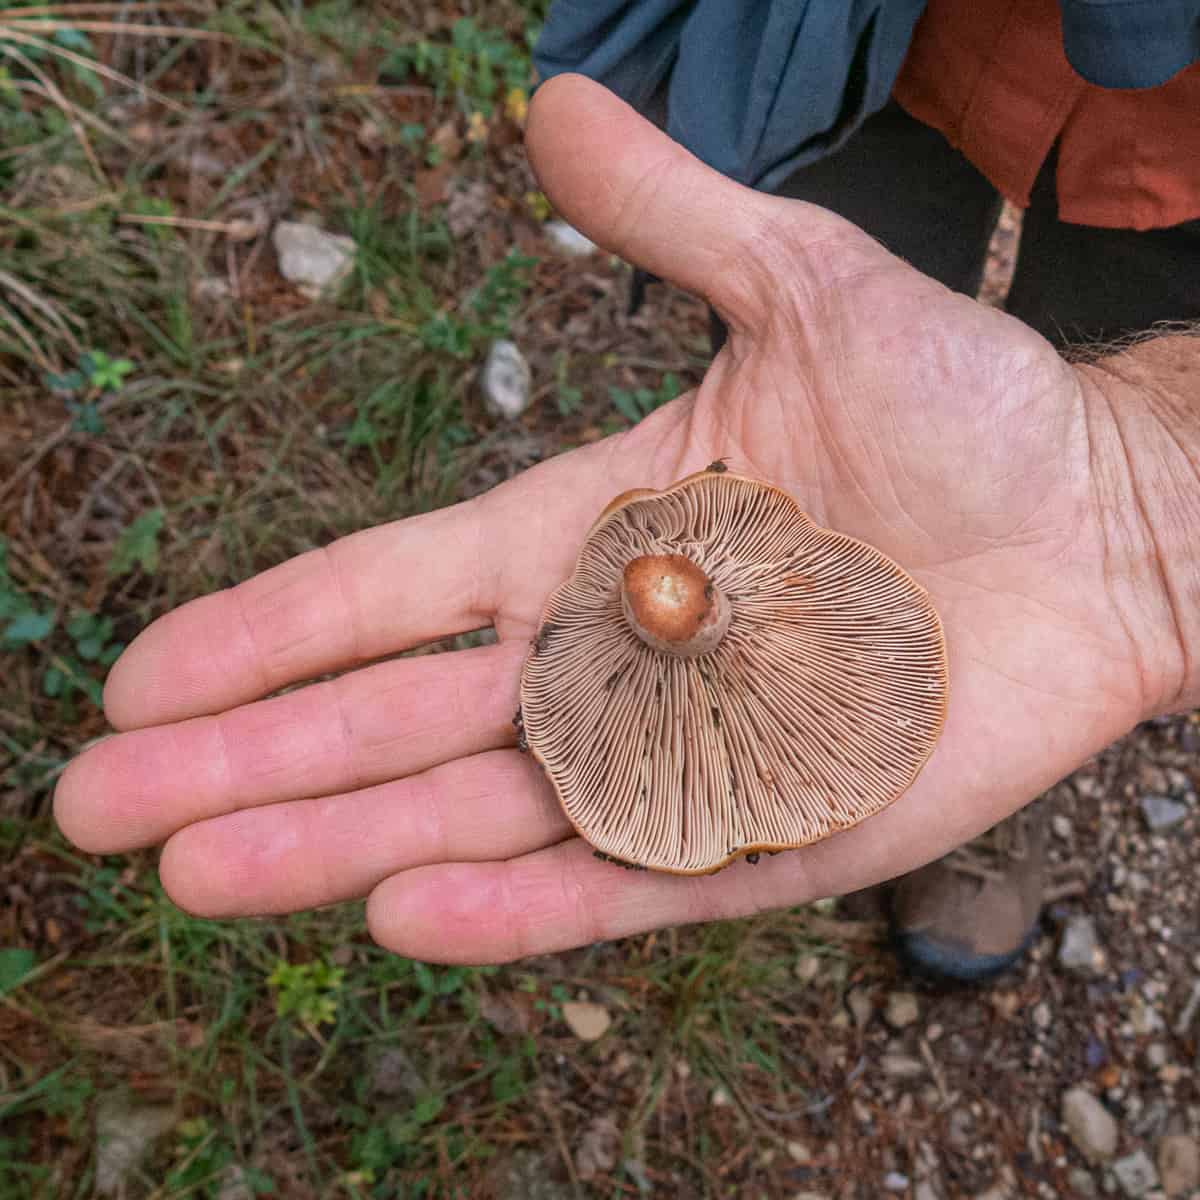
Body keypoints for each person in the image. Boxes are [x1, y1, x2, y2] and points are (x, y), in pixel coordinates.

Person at [53, 72, 1199, 969]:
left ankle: (1010, 773)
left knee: (1149, 250)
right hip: (880, 32)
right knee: (851, 159)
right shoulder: (663, 569)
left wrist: (1151, 485)